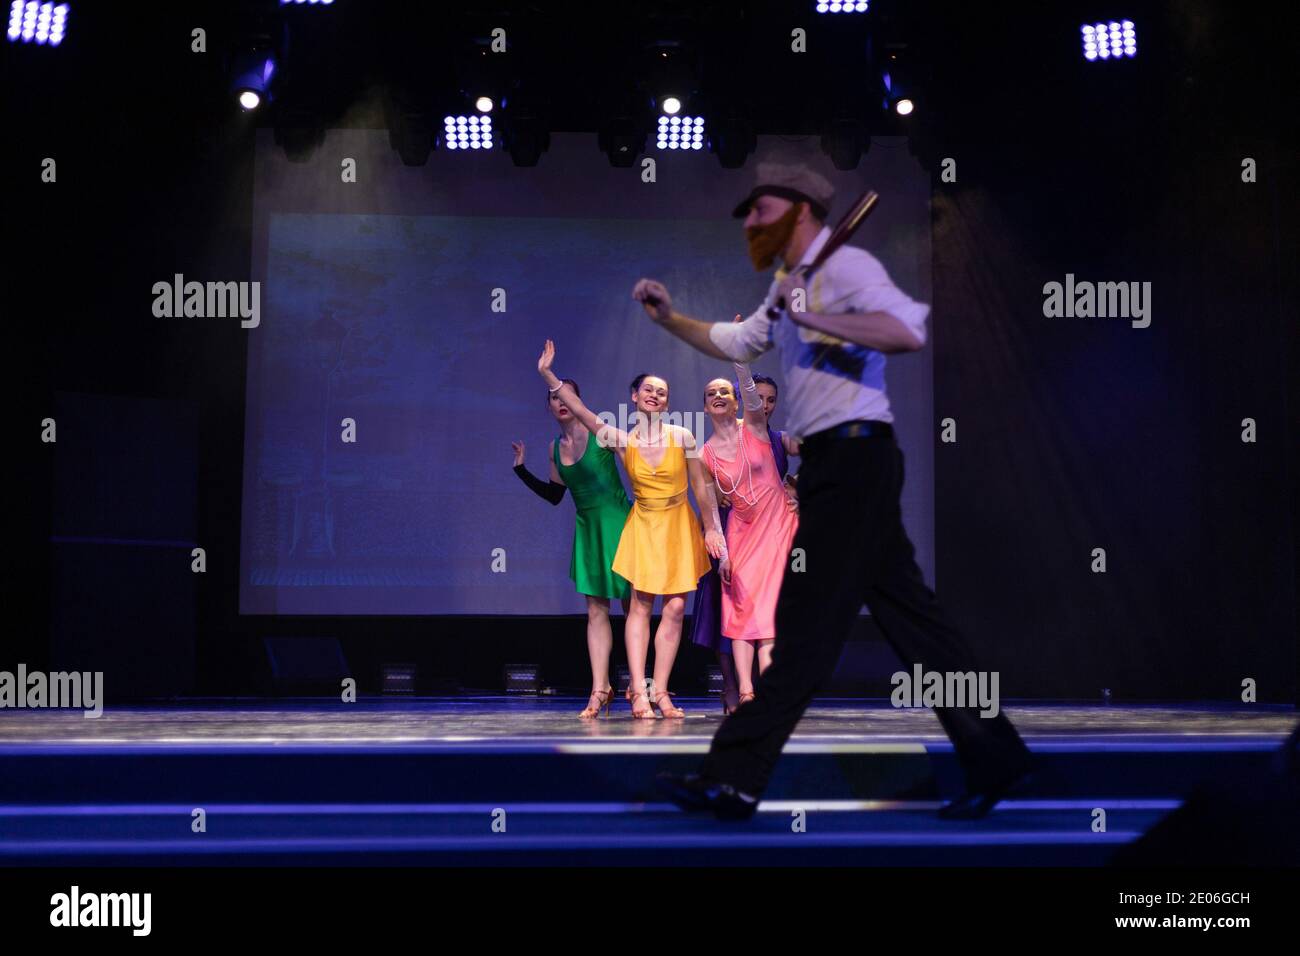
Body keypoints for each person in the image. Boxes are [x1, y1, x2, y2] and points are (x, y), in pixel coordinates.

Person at [635, 161, 1034, 819]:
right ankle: (999, 758)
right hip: (838, 466)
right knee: (914, 622)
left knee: (806, 629)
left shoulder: (845, 272)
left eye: (761, 211)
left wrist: (821, 320)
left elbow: (908, 330)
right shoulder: (787, 284)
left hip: (855, 461)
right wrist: (669, 317)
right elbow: (734, 339)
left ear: (798, 212)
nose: (751, 223)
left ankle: (732, 778)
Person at [536, 340, 725, 719]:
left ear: (667, 403)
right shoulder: (622, 441)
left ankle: (661, 691)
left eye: (662, 392)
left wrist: (712, 529)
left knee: (674, 609)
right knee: (640, 605)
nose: (655, 395)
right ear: (635, 397)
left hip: (678, 525)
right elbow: (583, 413)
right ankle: (637, 691)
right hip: (643, 523)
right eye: (649, 390)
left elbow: (702, 488)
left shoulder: (682, 437)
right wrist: (548, 376)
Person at [512, 378, 631, 718]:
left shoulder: (602, 434)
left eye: (566, 395)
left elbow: (637, 470)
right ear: (549, 407)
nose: (560, 401)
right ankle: (600, 688)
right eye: (553, 397)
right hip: (589, 529)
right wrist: (521, 470)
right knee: (596, 611)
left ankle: (640, 685)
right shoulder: (554, 448)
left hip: (620, 524)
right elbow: (554, 495)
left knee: (633, 607)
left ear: (578, 400)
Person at [688, 363, 799, 714]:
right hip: (740, 529)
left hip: (778, 525)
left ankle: (768, 692)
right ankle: (746, 692)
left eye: (725, 392)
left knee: (770, 617)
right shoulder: (703, 455)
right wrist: (721, 553)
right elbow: (708, 510)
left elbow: (753, 397)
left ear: (736, 402)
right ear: (705, 407)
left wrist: (741, 363)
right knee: (739, 614)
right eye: (711, 394)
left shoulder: (755, 427)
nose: (718, 397)